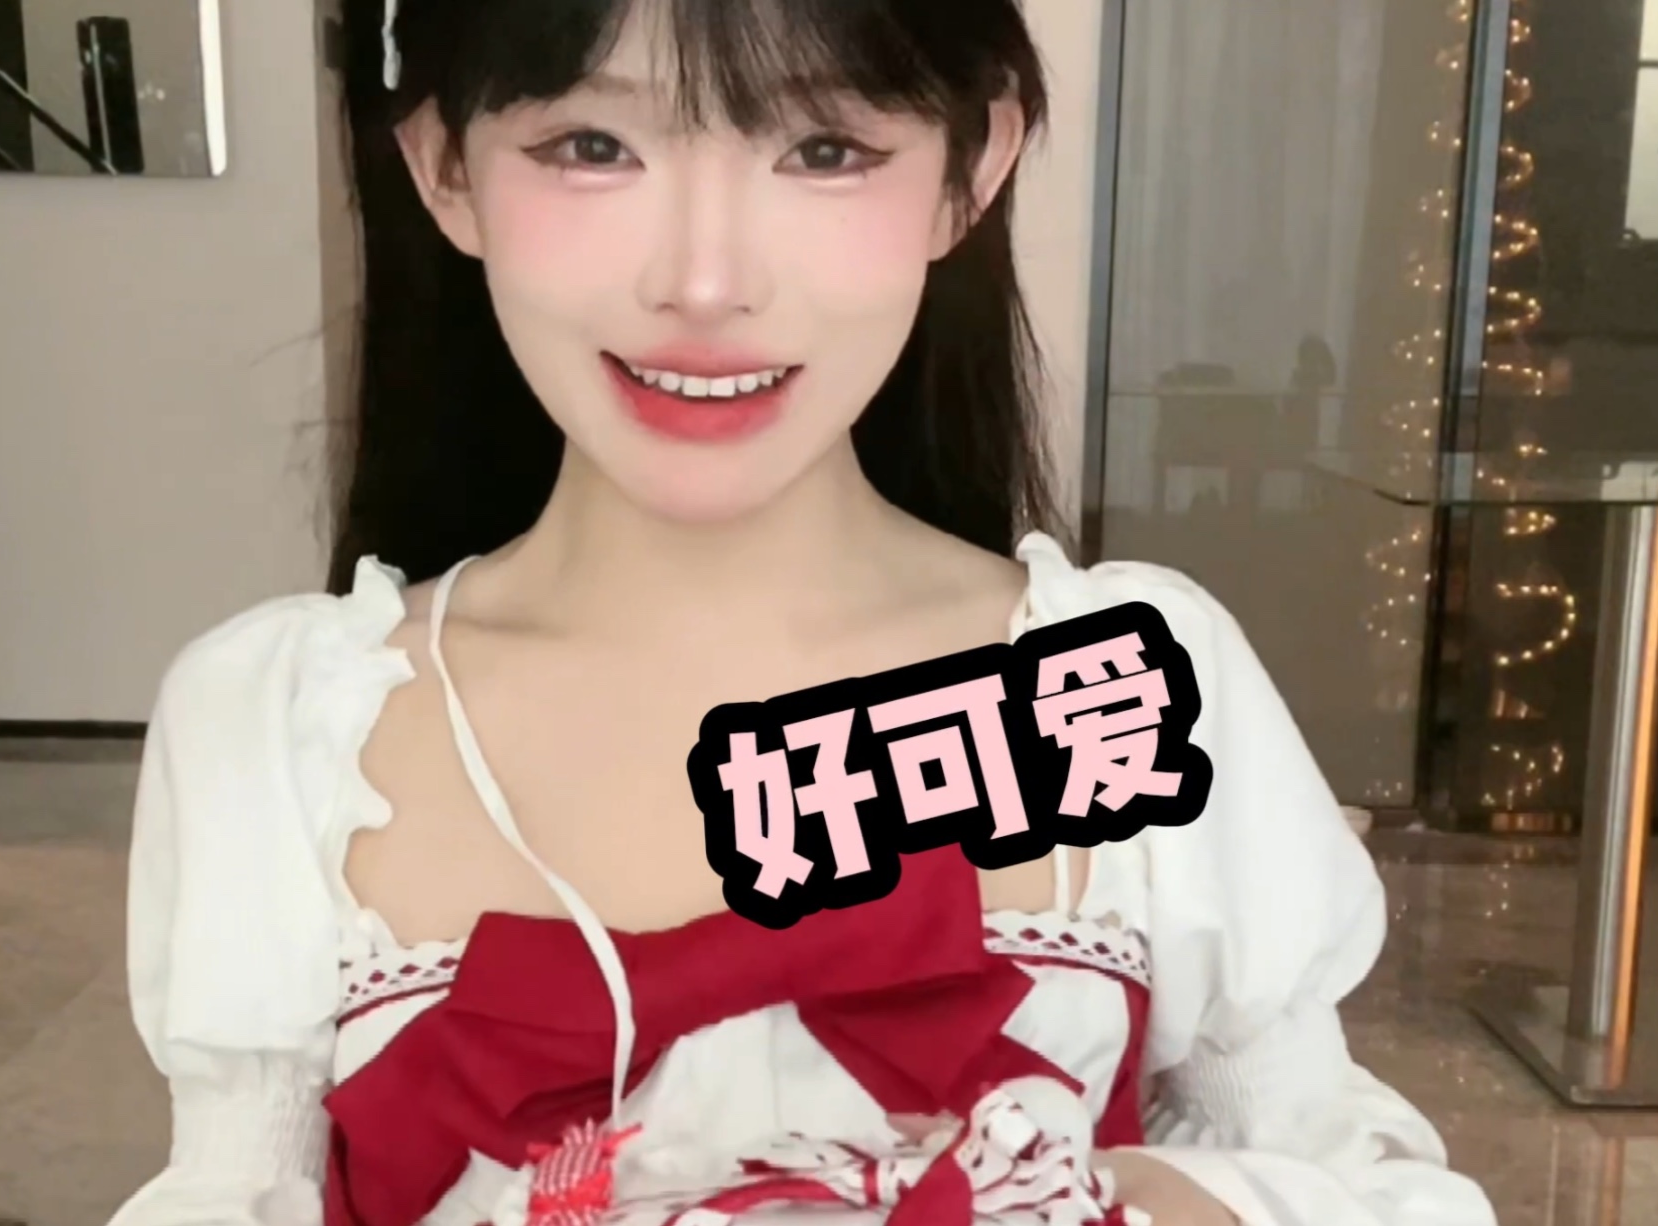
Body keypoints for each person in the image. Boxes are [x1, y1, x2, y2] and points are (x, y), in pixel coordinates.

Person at [109, 1, 1498, 1224]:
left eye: (825, 149)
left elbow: (1343, 1170)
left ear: (972, 167)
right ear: (443, 171)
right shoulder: (284, 726)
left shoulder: (1129, 681)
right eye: (591, 145)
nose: (705, 284)